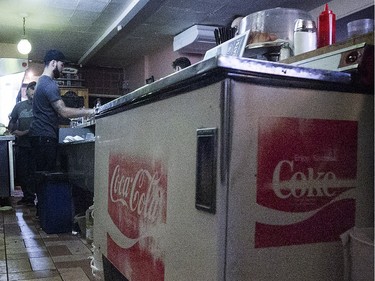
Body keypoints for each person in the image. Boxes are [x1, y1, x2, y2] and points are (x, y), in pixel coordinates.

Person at [29, 49, 95, 172]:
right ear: (53, 63)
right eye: (62, 65)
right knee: (47, 177)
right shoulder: (49, 84)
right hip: (45, 137)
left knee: (41, 176)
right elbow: (63, 111)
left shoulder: (40, 82)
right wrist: (90, 111)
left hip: (39, 136)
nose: (62, 68)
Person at [8, 81, 37, 205]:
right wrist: (13, 130)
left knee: (34, 172)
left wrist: (25, 132)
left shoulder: (40, 106)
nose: (34, 92)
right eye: (32, 89)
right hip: (22, 144)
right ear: (27, 91)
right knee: (23, 172)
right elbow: (12, 121)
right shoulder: (19, 106)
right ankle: (27, 197)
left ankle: (36, 198)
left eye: (36, 89)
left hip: (36, 143)